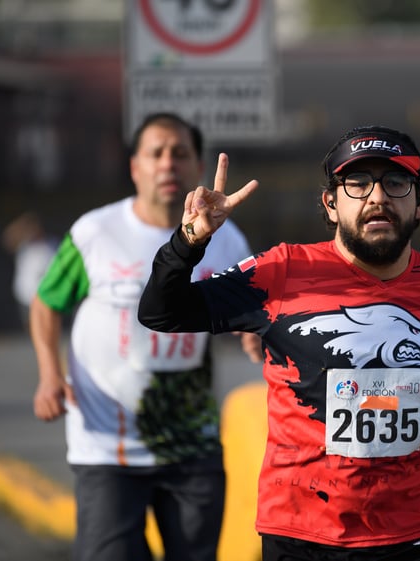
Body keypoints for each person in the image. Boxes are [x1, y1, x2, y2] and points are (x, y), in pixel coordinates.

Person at [138, 125, 420, 561]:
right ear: (331, 204)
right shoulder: (280, 272)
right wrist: (190, 240)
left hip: (416, 537)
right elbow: (160, 312)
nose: (377, 197)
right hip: (301, 537)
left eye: (396, 182)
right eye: (357, 183)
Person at [29, 112, 260, 561]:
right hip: (107, 449)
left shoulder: (228, 239)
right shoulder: (96, 233)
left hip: (192, 445)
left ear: (197, 167)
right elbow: (45, 304)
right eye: (156, 153)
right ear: (135, 167)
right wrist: (48, 375)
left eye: (180, 153)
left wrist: (251, 334)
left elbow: (251, 311)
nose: (167, 163)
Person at [2, 211, 58, 329]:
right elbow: (7, 239)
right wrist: (22, 225)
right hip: (26, 296)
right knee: (32, 328)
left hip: (46, 295)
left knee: (46, 327)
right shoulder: (24, 245)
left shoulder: (51, 244)